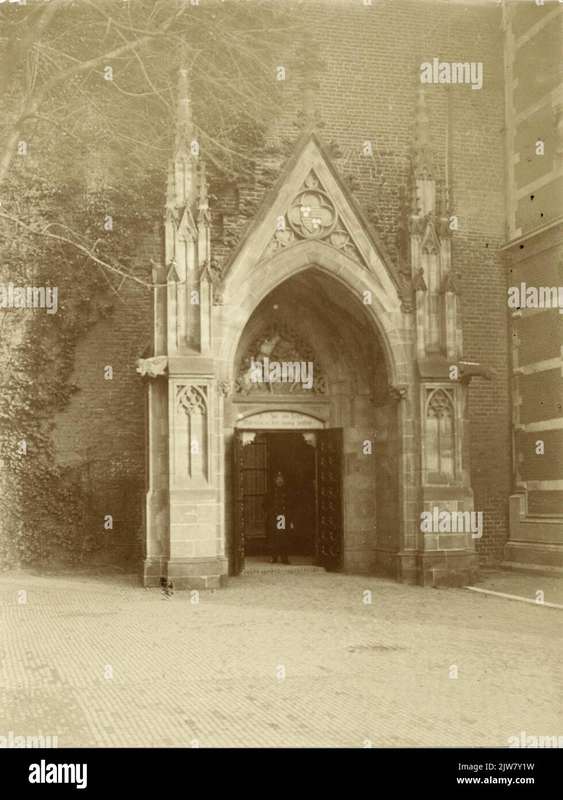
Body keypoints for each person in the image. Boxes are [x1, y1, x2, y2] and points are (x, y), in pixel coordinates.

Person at [269, 471, 290, 565]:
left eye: (281, 479)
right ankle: (274, 557)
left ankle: (284, 557)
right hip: (274, 517)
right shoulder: (271, 492)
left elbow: (291, 505)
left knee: (284, 537)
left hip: (284, 517)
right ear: (275, 480)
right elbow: (265, 504)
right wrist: (271, 512)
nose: (279, 481)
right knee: (274, 537)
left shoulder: (287, 491)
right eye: (278, 479)